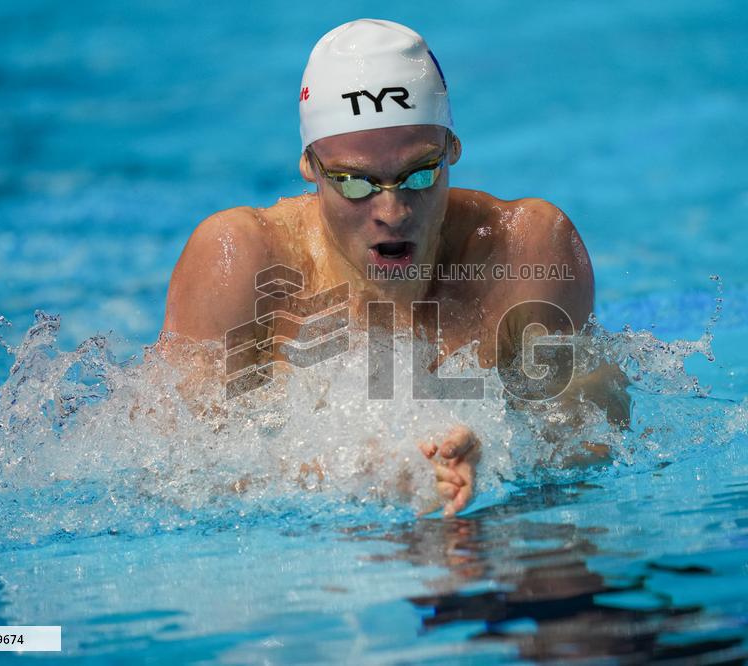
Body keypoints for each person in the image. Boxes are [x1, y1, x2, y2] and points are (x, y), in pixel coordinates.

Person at [160, 19, 629, 517]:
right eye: (356, 183)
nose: (392, 210)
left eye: (421, 172)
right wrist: (371, 471)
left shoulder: (523, 249)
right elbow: (171, 466)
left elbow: (597, 428)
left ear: (453, 148)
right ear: (309, 166)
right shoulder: (244, 259)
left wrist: (498, 455)